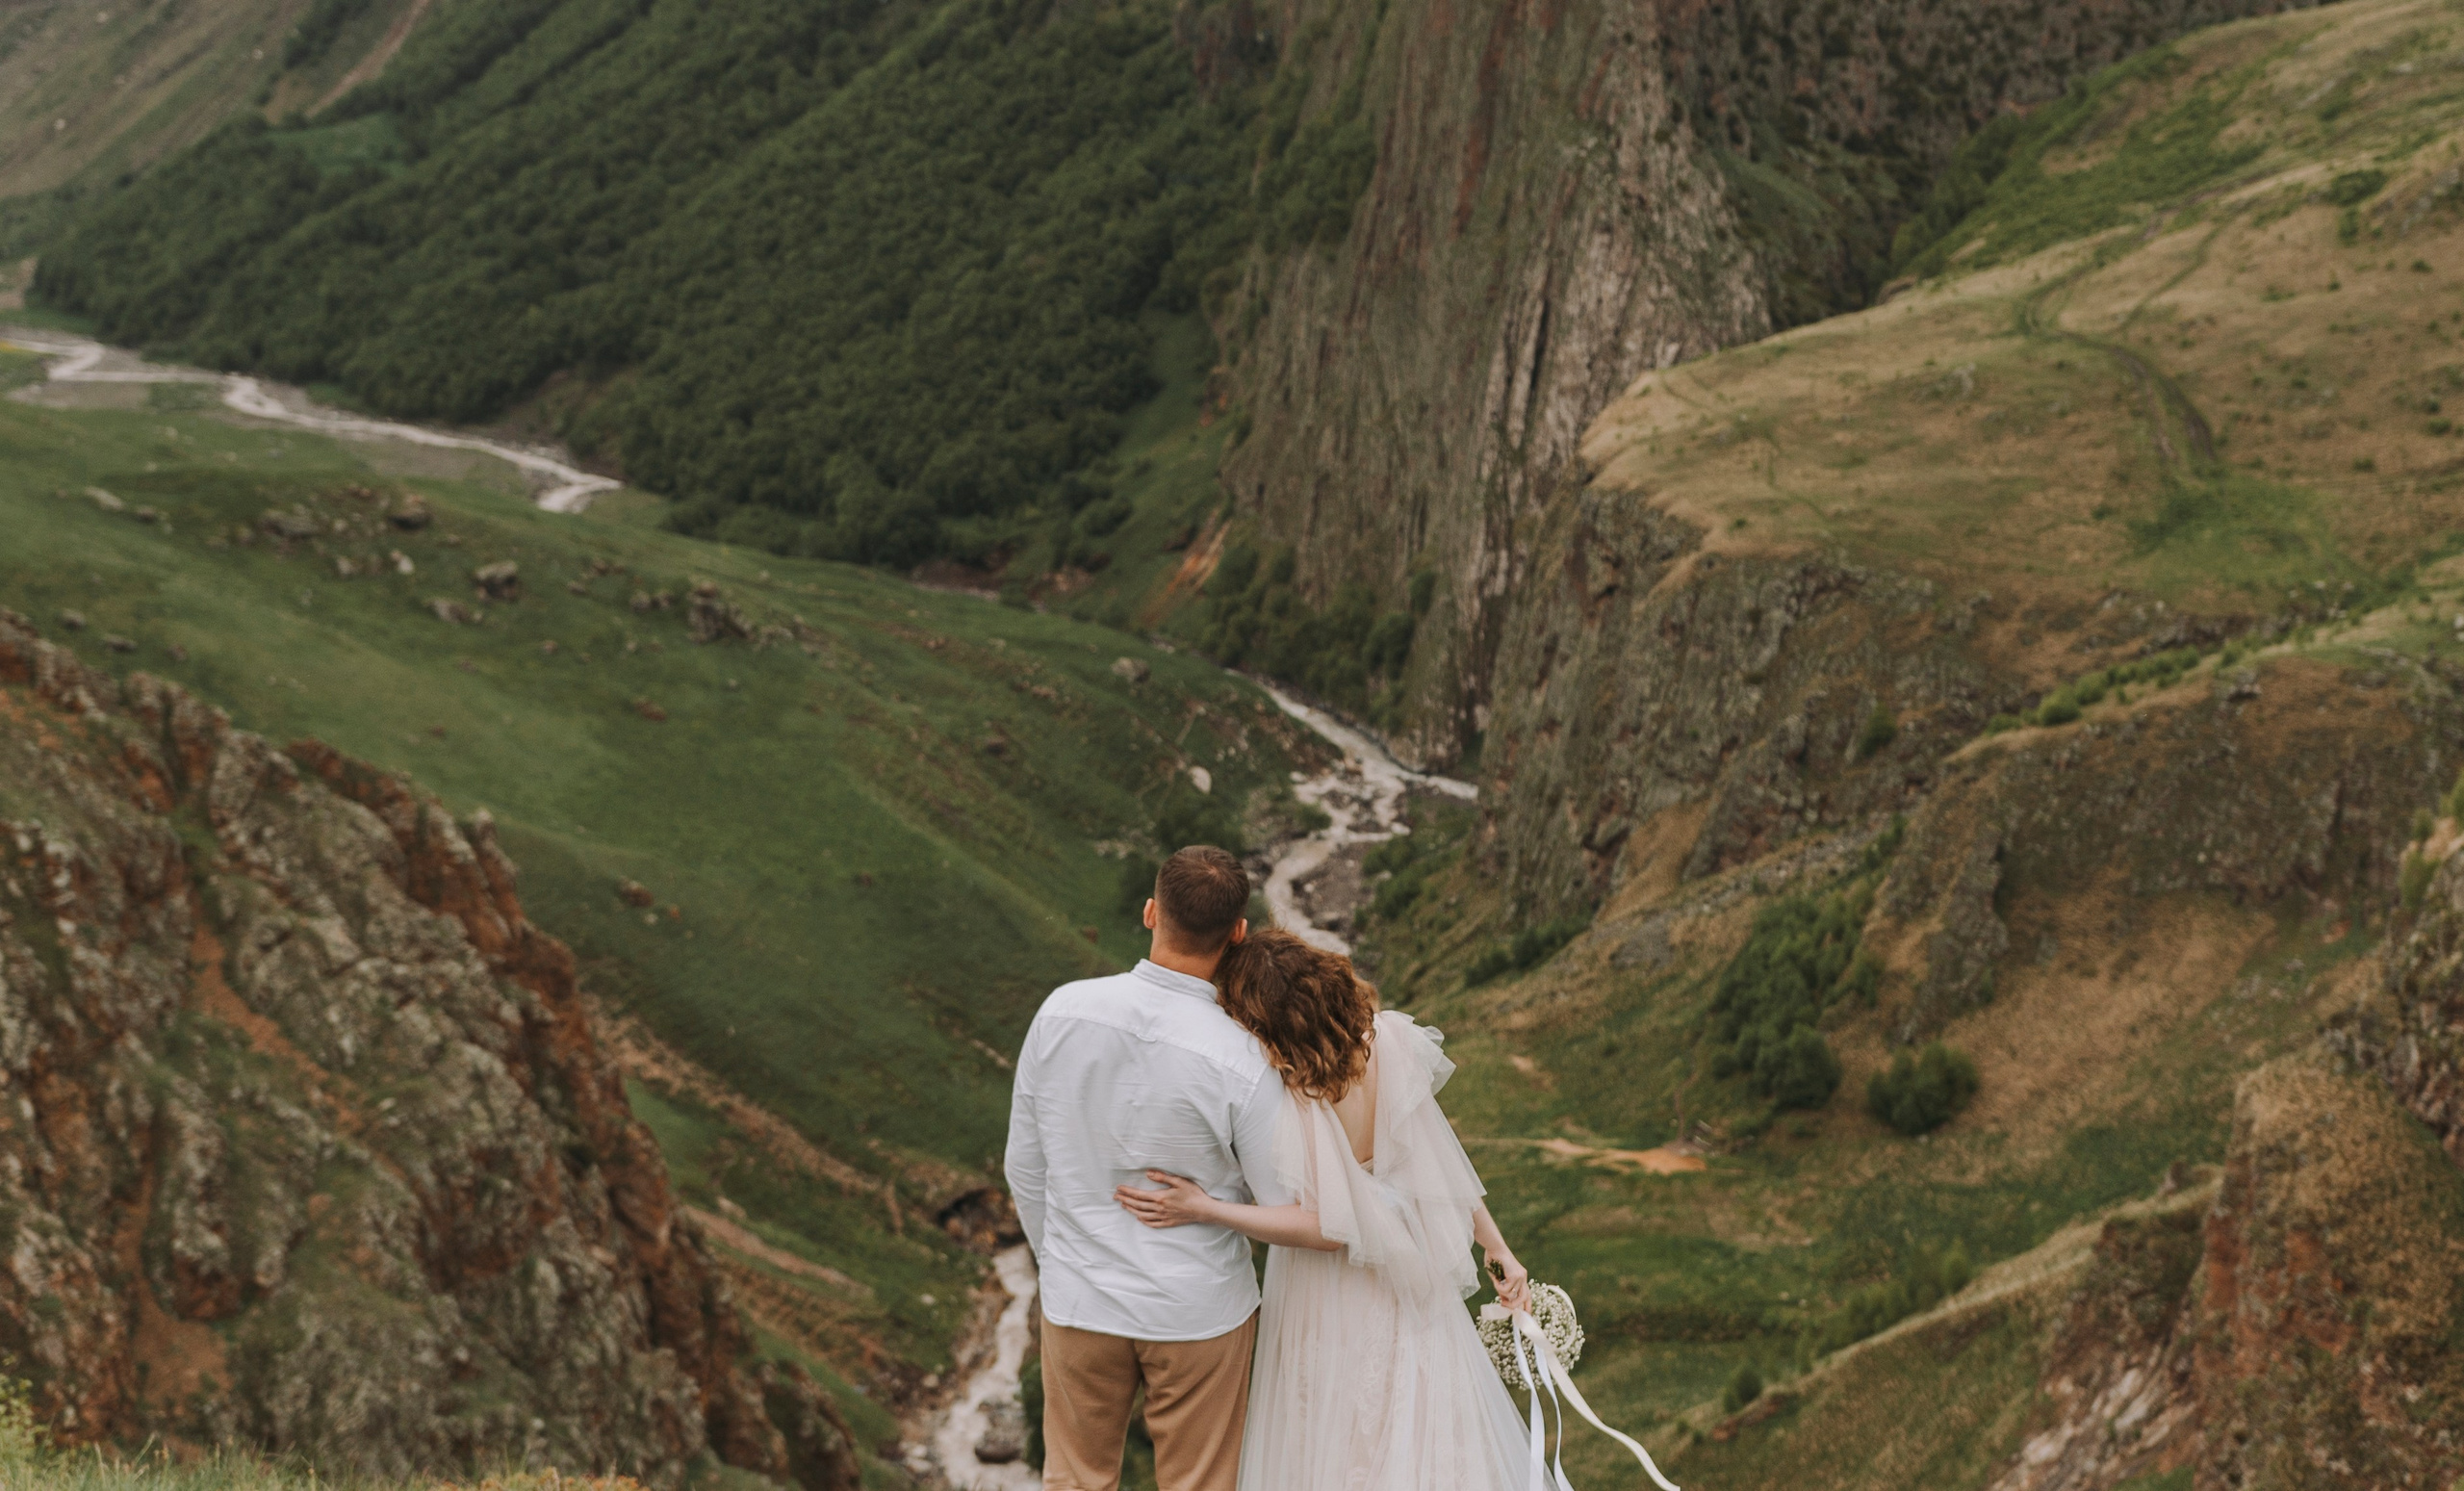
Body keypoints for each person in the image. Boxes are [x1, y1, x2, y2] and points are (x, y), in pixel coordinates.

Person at [1115, 928, 1534, 1491]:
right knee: (1427, 1418)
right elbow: (1436, 1164)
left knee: (1331, 1441)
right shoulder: (1389, 1040)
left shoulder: (1297, 1089)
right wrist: (1496, 1246)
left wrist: (1208, 1209)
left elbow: (1327, 1228)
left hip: (1327, 1289)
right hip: (1409, 1268)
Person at [1006, 845, 1315, 1491]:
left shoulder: (1061, 1011)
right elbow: (1283, 1205)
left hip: (1080, 1300)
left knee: (1073, 1481)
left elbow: (1024, 1169)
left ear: (1151, 911)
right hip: (1197, 1310)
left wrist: (1060, 1259)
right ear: (1237, 933)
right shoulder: (1243, 1057)